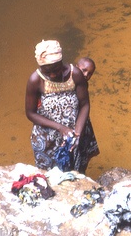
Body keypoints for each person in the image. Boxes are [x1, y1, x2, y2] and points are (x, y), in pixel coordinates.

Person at [25, 40, 98, 173]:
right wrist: (60, 128)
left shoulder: (75, 74)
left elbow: (84, 104)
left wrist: (77, 133)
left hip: (77, 129)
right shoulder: (35, 80)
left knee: (76, 173)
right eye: (48, 71)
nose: (52, 74)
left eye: (56, 69)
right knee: (50, 175)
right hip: (48, 137)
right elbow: (30, 113)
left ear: (61, 62)